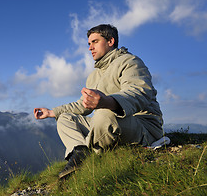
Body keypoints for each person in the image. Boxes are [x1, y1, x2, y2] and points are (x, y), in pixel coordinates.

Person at [34, 24, 163, 179]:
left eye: (95, 42)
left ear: (110, 41)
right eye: (89, 44)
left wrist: (109, 102)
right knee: (65, 119)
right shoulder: (94, 75)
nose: (90, 48)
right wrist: (52, 112)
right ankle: (81, 152)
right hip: (110, 124)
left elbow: (139, 92)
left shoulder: (130, 62)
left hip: (142, 125)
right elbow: (83, 105)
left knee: (103, 114)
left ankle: (86, 158)